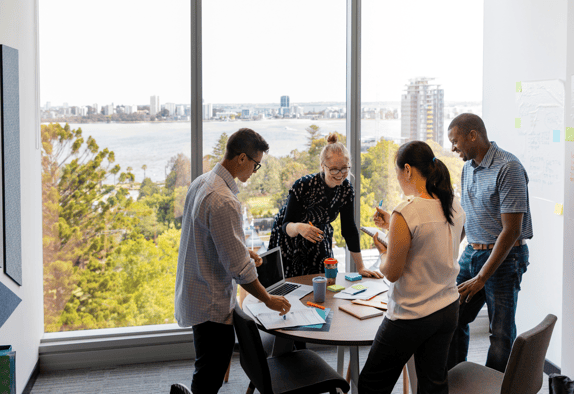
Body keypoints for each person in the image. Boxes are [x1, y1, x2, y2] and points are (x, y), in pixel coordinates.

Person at [174, 128, 291, 394]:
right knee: (210, 376)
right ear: (241, 158)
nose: (254, 171)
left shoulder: (202, 182)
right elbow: (240, 270)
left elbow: (205, 237)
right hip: (211, 302)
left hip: (195, 291)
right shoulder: (224, 200)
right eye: (255, 164)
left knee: (205, 365)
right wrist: (267, 299)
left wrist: (242, 251)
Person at [358, 141, 465, 394]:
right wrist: (392, 230)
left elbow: (391, 272)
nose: (398, 180)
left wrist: (383, 250)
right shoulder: (454, 204)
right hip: (448, 308)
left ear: (407, 170)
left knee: (371, 384)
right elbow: (434, 245)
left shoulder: (406, 211)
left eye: (397, 174)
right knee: (432, 385)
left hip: (411, 315)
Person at [446, 113, 533, 373]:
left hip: (506, 258)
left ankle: (494, 387)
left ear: (473, 135)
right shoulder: (467, 167)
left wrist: (482, 277)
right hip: (472, 252)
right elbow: (467, 215)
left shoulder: (509, 167)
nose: (453, 148)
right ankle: (456, 381)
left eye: (455, 141)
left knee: (500, 333)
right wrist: (448, 251)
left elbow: (511, 231)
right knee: (451, 316)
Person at [268, 133, 383, 279]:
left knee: (324, 281)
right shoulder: (303, 185)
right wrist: (299, 227)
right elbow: (286, 225)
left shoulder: (346, 189)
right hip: (290, 238)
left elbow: (349, 229)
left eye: (345, 168)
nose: (340, 174)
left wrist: (361, 267)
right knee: (293, 285)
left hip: (318, 236)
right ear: (323, 166)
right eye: (334, 169)